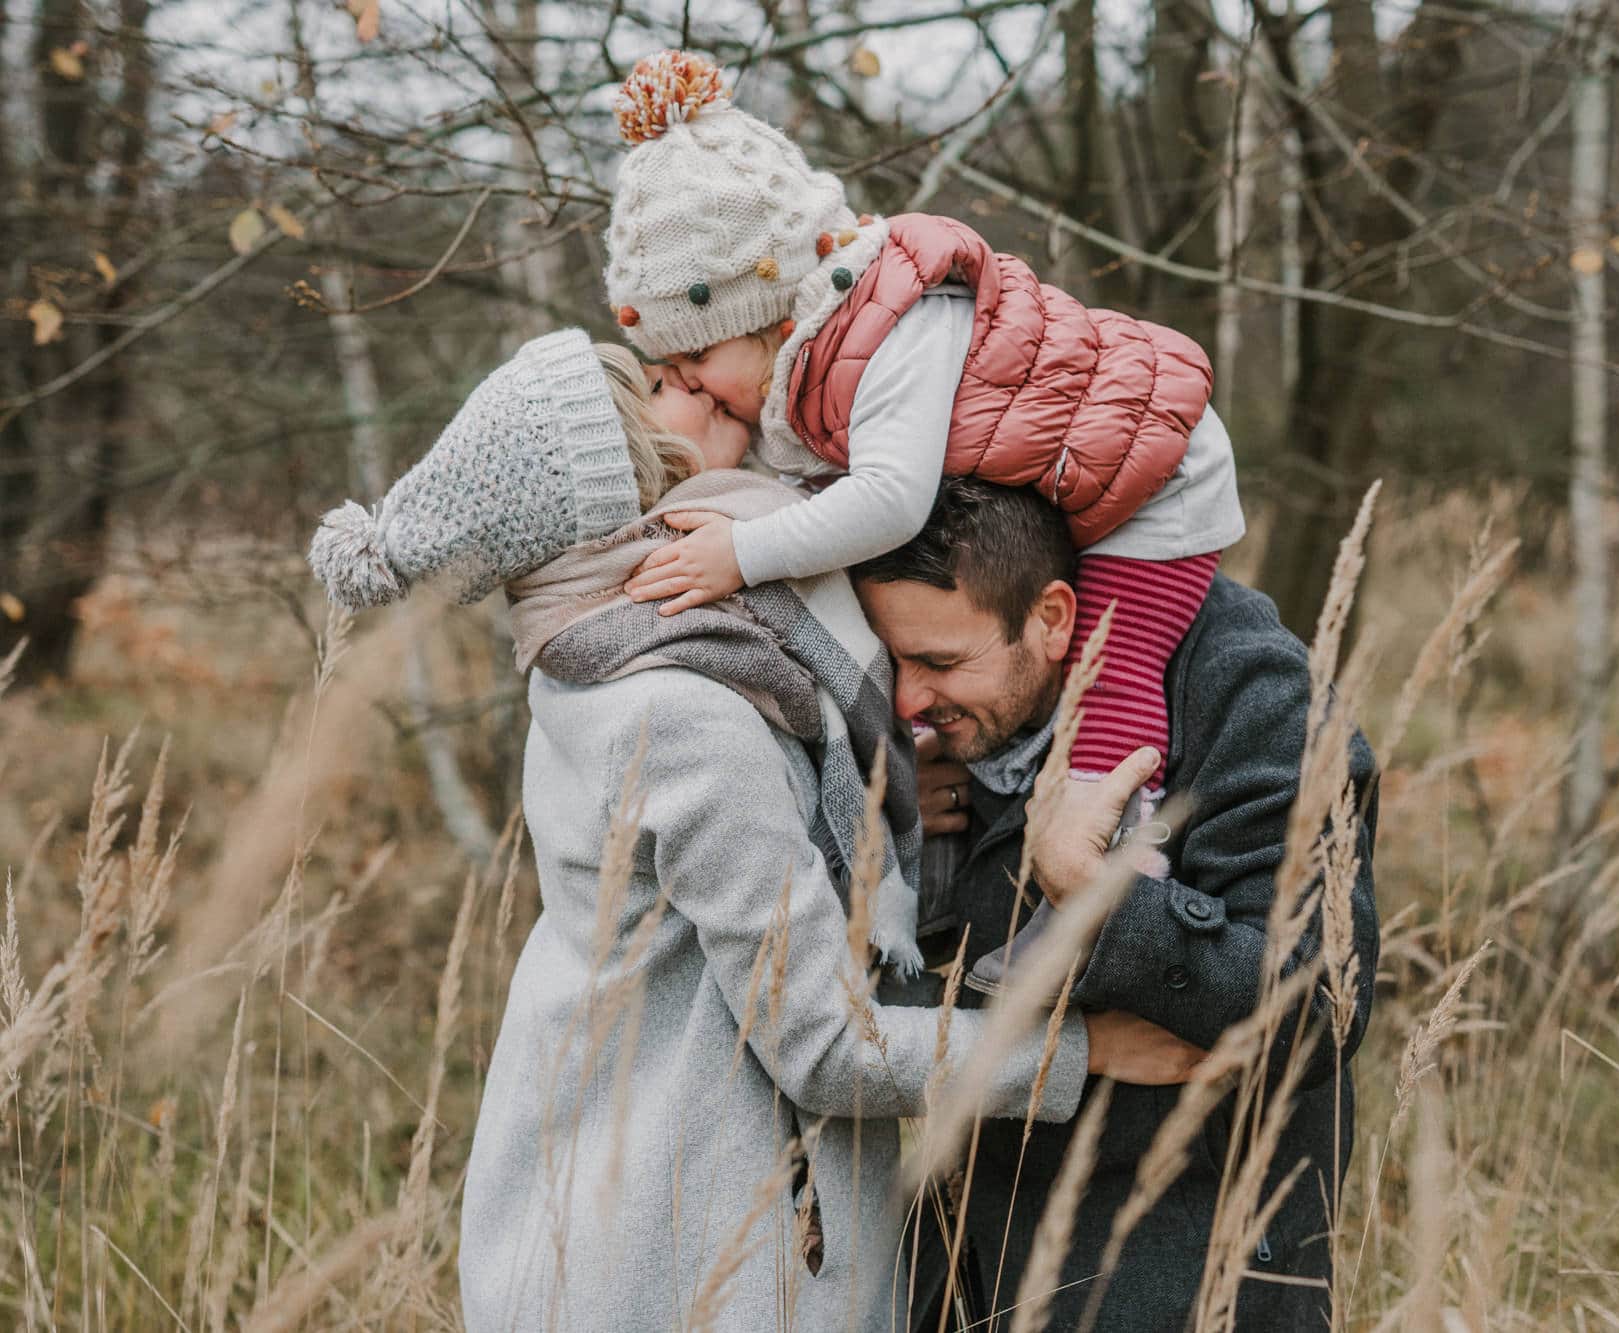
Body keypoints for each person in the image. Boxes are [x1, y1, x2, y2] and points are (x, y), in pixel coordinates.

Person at [304, 330, 1203, 1331]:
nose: (694, 378)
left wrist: (864, 818)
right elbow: (821, 1046)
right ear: (630, 492)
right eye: (658, 387)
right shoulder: (685, 714)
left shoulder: (592, 661)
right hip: (688, 1266)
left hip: (609, 1226)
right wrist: (1074, 1052)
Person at [602, 49, 1247, 990]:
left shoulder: (895, 326)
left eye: (700, 370)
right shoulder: (820, 364)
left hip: (1162, 482)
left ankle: (1101, 905)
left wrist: (740, 553)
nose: (706, 396)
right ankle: (987, 891)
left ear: (769, 319)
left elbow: (892, 500)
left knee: (1105, 692)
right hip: (1103, 474)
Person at [850, 479, 1381, 1331]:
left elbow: (1314, 1007)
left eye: (941, 663)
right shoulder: (975, 717)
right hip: (977, 1267)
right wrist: (891, 824)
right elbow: (878, 992)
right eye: (894, 664)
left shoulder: (1254, 701)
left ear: (1054, 618)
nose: (908, 703)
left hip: (1180, 1280)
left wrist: (1102, 902)